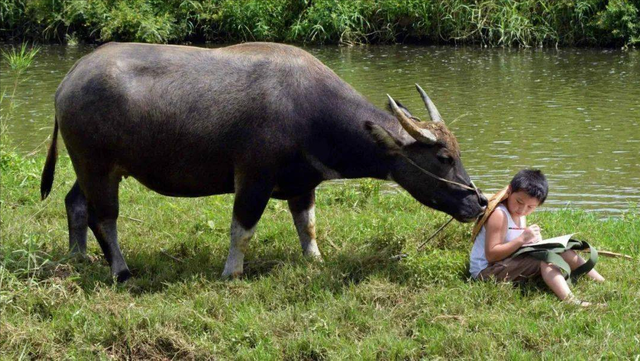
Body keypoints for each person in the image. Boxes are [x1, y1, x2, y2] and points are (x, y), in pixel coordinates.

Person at [469, 169, 605, 306]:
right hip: (486, 272)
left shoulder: (519, 214)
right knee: (546, 259)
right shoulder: (500, 215)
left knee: (563, 250)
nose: (522, 210)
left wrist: (534, 242)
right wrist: (522, 239)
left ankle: (601, 281)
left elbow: (515, 244)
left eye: (530, 207)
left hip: (505, 262)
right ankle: (572, 302)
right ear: (509, 191)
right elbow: (491, 255)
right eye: (519, 202)